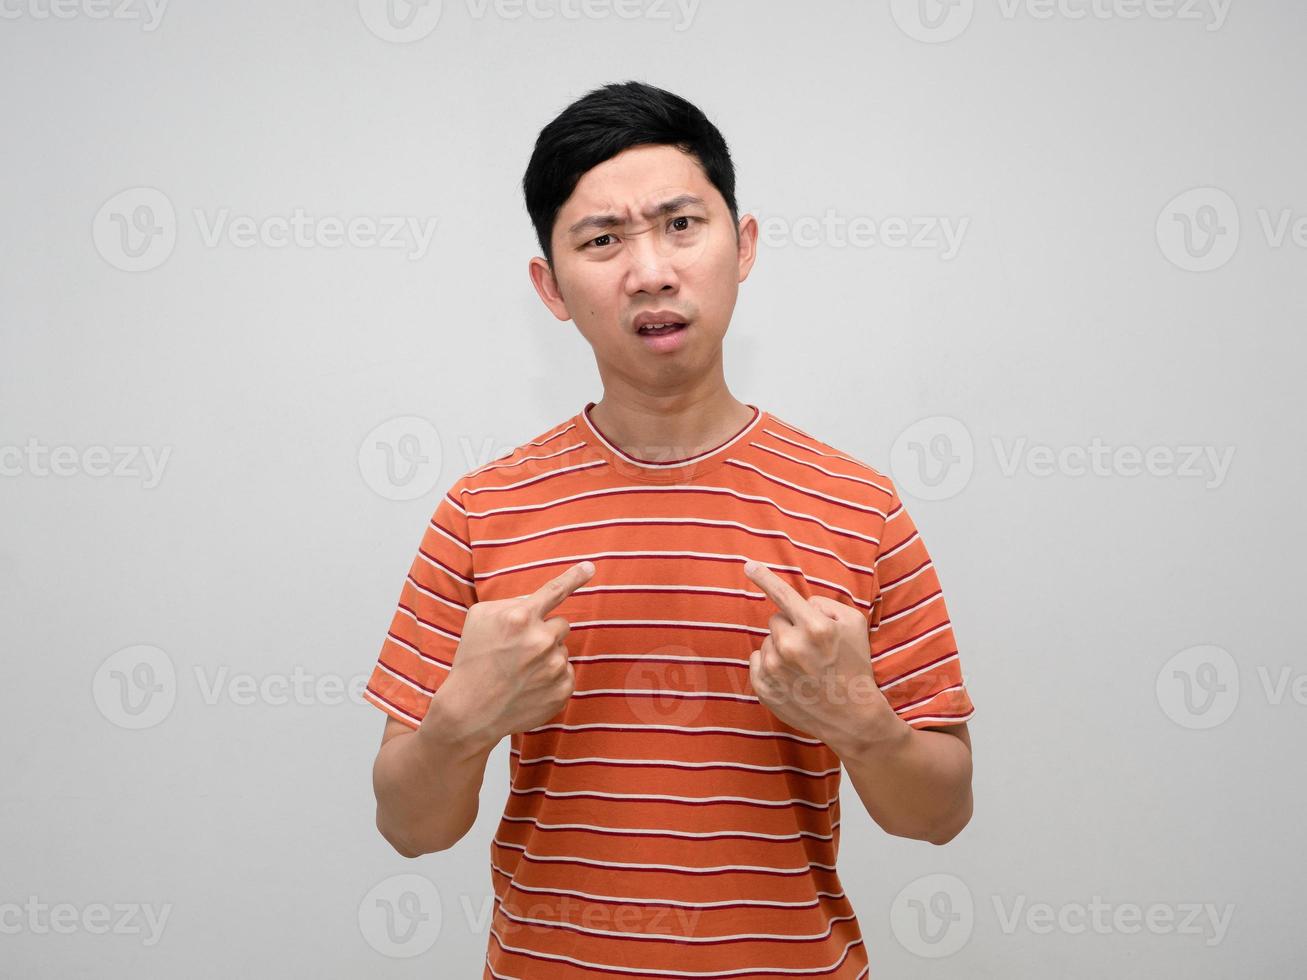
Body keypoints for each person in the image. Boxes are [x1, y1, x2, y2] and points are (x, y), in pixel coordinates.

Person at [365, 79, 975, 979]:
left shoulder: (861, 505)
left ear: (744, 245)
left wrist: (862, 725)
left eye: (681, 224)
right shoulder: (478, 511)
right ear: (550, 287)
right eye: (601, 240)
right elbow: (409, 831)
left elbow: (939, 815)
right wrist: (462, 726)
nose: (649, 269)